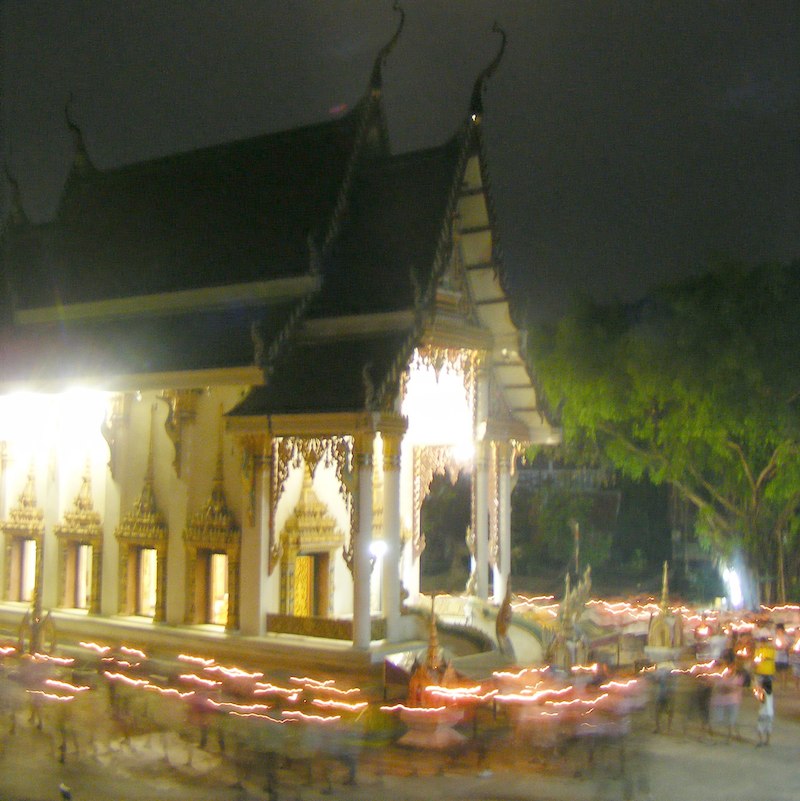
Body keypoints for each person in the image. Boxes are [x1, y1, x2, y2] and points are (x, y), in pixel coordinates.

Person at [755, 674, 774, 747]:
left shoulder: (763, 692)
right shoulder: (771, 693)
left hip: (763, 712)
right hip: (770, 713)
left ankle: (760, 741)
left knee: (760, 727)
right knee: (768, 727)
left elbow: (762, 700)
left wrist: (757, 694)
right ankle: (768, 741)